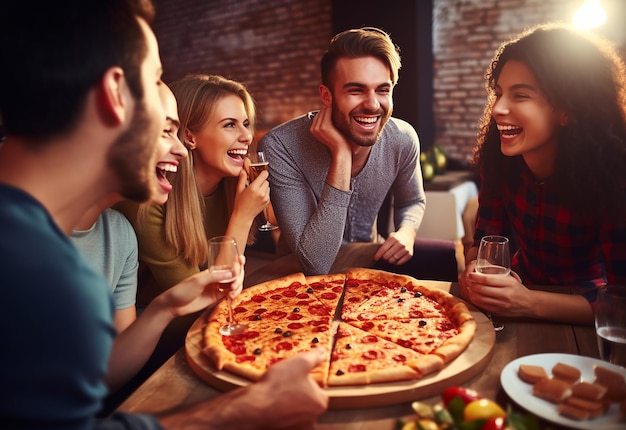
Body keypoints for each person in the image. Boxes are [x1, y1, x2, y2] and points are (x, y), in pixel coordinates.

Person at [0, 1, 328, 428]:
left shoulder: (68, 242)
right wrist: (248, 410)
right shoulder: (43, 275)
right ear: (115, 93)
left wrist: (162, 309)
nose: (178, 146)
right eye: (156, 79)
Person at [458, 22, 626, 325]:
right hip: (516, 299)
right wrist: (475, 272)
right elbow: (484, 243)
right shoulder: (500, 163)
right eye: (498, 93)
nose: (498, 108)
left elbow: (621, 303)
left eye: (520, 95)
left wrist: (528, 302)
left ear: (568, 110)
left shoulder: (614, 178)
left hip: (586, 318)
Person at [258, 27, 458, 280]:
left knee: (447, 260)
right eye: (356, 90)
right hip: (300, 279)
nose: (373, 104)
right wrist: (341, 155)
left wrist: (407, 231)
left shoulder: (402, 138)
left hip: (370, 263)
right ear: (326, 96)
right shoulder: (281, 145)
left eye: (383, 90)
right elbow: (316, 263)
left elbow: (411, 201)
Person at [117, 74, 270, 300]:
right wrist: (243, 216)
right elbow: (200, 301)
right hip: (159, 327)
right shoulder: (147, 202)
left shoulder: (232, 188)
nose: (247, 136)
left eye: (246, 124)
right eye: (230, 125)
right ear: (189, 137)